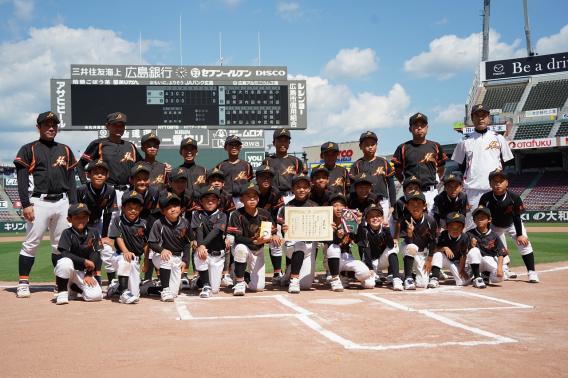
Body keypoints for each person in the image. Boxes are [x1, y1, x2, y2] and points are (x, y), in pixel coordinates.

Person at [14, 111, 78, 298]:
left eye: (54, 125)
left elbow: (72, 181)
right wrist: (26, 204)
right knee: (32, 243)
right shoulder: (29, 149)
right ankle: (23, 282)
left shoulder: (65, 149)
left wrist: (73, 204)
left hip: (62, 202)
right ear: (38, 127)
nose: (51, 128)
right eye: (46, 125)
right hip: (38, 202)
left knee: (60, 245)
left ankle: (60, 283)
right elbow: (22, 179)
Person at [451, 104, 514, 229]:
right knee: (473, 226)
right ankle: (473, 249)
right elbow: (461, 165)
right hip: (473, 190)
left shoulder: (498, 138)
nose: (481, 118)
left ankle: (500, 249)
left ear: (488, 118)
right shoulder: (464, 141)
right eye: (477, 115)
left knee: (497, 226)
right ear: (472, 118)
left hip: (494, 190)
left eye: (484, 115)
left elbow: (505, 163)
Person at [478, 169, 539, 283]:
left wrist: (520, 234)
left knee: (524, 244)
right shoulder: (485, 198)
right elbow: (483, 217)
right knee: (490, 247)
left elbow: (516, 217)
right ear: (490, 184)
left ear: (507, 182)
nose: (498, 183)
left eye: (501, 180)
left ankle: (531, 272)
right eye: (494, 181)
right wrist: (486, 234)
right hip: (494, 226)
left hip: (512, 225)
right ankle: (491, 271)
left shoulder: (514, 197)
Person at [76, 112, 143, 215]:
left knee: (126, 225)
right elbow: (81, 164)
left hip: (128, 191)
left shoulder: (130, 146)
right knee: (106, 225)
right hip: (107, 191)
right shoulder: (98, 144)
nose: (118, 128)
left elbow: (142, 165)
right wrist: (86, 185)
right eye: (115, 125)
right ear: (107, 126)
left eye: (121, 126)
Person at [227, 182, 277, 296]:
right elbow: (238, 238)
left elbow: (272, 231)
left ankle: (243, 274)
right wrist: (255, 241)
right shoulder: (237, 214)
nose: (252, 199)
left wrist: (274, 235)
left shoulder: (264, 214)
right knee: (240, 249)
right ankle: (239, 281)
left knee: (257, 288)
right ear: (241, 199)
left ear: (258, 199)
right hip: (243, 247)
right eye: (248, 196)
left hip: (258, 250)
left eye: (254, 196)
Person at [392, 113, 448, 215]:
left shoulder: (435, 146)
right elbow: (397, 171)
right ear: (410, 129)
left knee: (432, 222)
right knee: (409, 222)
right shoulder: (403, 147)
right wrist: (407, 185)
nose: (419, 128)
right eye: (416, 125)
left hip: (430, 192)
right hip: (411, 192)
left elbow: (441, 168)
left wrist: (433, 180)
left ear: (427, 128)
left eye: (422, 125)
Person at [77, 159, 117, 287]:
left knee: (107, 249)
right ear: (88, 175)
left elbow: (108, 213)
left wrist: (104, 236)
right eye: (95, 172)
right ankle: (74, 280)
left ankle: (112, 281)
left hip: (97, 224)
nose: (99, 175)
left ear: (107, 175)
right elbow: (76, 213)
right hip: (80, 225)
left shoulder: (110, 191)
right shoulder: (82, 190)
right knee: (79, 250)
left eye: (103, 172)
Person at [53, 203, 103, 304]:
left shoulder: (93, 232)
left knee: (96, 296)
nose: (81, 220)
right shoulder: (67, 233)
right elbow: (64, 253)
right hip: (69, 271)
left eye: (84, 217)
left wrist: (89, 274)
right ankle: (62, 292)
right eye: (76, 217)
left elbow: (95, 252)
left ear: (88, 218)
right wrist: (84, 261)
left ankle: (74, 288)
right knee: (64, 262)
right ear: (69, 219)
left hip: (83, 272)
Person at [278, 174, 319, 293]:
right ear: (292, 188)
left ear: (309, 189)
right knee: (300, 244)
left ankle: (291, 270)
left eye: (305, 187)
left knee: (305, 285)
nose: (301, 189)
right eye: (298, 186)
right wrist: (284, 229)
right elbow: (281, 231)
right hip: (292, 246)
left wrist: (328, 227)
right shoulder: (287, 207)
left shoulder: (315, 206)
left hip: (310, 247)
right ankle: (294, 279)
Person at [325, 194, 376, 291]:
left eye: (342, 205)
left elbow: (361, 241)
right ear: (329, 208)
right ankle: (335, 279)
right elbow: (328, 243)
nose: (339, 208)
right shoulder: (326, 222)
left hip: (347, 257)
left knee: (367, 277)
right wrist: (337, 237)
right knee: (334, 248)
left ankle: (344, 274)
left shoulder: (350, 221)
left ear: (346, 208)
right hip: (330, 259)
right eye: (335, 205)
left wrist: (359, 224)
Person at [147, 193, 192, 302]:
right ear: (162, 211)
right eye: (168, 208)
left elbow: (187, 243)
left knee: (174, 293)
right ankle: (165, 290)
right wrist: (162, 250)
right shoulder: (159, 223)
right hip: (160, 256)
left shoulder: (185, 222)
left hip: (177, 258)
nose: (173, 209)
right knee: (167, 258)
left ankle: (150, 289)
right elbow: (151, 243)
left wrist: (185, 260)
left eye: (175, 206)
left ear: (180, 208)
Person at [107, 190, 149, 304]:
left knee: (135, 294)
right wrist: (125, 251)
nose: (133, 210)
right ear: (123, 208)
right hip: (119, 256)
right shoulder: (118, 221)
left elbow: (146, 244)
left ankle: (118, 287)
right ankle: (123, 293)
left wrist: (146, 262)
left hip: (135, 259)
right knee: (126, 260)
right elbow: (118, 237)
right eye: (129, 207)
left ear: (141, 209)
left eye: (136, 208)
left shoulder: (144, 223)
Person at [192, 185, 227, 298]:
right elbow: (199, 229)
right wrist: (201, 246)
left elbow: (216, 231)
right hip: (205, 252)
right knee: (198, 254)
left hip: (217, 254)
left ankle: (199, 281)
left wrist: (202, 244)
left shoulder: (222, 215)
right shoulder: (197, 214)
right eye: (207, 199)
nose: (210, 202)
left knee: (215, 289)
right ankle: (205, 285)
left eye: (213, 199)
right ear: (201, 201)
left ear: (218, 201)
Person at [399, 191, 438, 290]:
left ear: (424, 206)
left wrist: (429, 260)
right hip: (408, 248)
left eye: (419, 205)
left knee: (422, 284)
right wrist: (409, 233)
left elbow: (432, 241)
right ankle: (408, 277)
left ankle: (407, 276)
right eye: (412, 204)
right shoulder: (405, 220)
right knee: (412, 247)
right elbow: (408, 242)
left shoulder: (430, 221)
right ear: (407, 206)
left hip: (423, 252)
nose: (415, 208)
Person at [349, 131, 396, 214]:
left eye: (373, 144)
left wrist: (393, 205)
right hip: (364, 202)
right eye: (367, 144)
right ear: (360, 146)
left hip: (382, 201)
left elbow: (391, 185)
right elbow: (352, 187)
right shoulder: (356, 165)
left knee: (382, 225)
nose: (370, 147)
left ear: (376, 145)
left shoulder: (384, 162)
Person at [425, 212, 472, 288]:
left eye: (459, 227)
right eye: (452, 227)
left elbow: (463, 255)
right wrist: (444, 248)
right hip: (445, 260)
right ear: (446, 226)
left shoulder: (465, 238)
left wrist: (461, 270)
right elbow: (433, 249)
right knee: (438, 254)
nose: (455, 230)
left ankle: (469, 273)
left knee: (463, 282)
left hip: (457, 262)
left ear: (463, 228)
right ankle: (435, 277)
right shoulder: (443, 235)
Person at [255, 164, 285, 285]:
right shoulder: (252, 191)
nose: (266, 180)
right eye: (263, 177)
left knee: (276, 241)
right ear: (256, 178)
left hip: (269, 223)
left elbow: (277, 214)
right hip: (253, 223)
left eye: (269, 177)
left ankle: (277, 273)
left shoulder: (275, 192)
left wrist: (275, 232)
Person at [466, 205, 508, 289]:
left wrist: (500, 268)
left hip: (489, 260)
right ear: (474, 220)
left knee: (500, 277)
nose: (479, 219)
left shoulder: (494, 235)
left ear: (489, 219)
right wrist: (470, 245)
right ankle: (476, 275)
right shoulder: (469, 234)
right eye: (477, 217)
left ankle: (486, 275)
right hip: (474, 262)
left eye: (483, 217)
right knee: (474, 251)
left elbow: (500, 253)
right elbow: (463, 251)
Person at [262, 128, 306, 204]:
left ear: (289, 143)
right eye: (279, 140)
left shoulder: (296, 161)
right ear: (273, 143)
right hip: (272, 195)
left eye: (285, 140)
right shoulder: (267, 161)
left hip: (292, 195)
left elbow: (303, 180)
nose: (282, 143)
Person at [215, 135, 254, 208]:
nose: (234, 147)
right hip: (226, 198)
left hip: (241, 198)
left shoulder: (246, 165)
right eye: (231, 145)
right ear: (225, 147)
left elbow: (249, 181)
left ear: (240, 148)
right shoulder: (221, 166)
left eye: (236, 145)